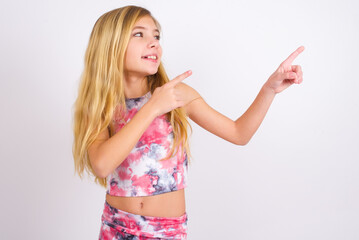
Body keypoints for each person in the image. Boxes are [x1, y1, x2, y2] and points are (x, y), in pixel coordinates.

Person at [72, 5, 304, 240]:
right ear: (110, 44)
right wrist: (152, 107)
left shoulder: (176, 95)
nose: (154, 43)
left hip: (168, 231)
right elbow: (101, 165)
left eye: (156, 36)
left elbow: (239, 133)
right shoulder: (101, 105)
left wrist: (269, 90)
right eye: (139, 34)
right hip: (116, 227)